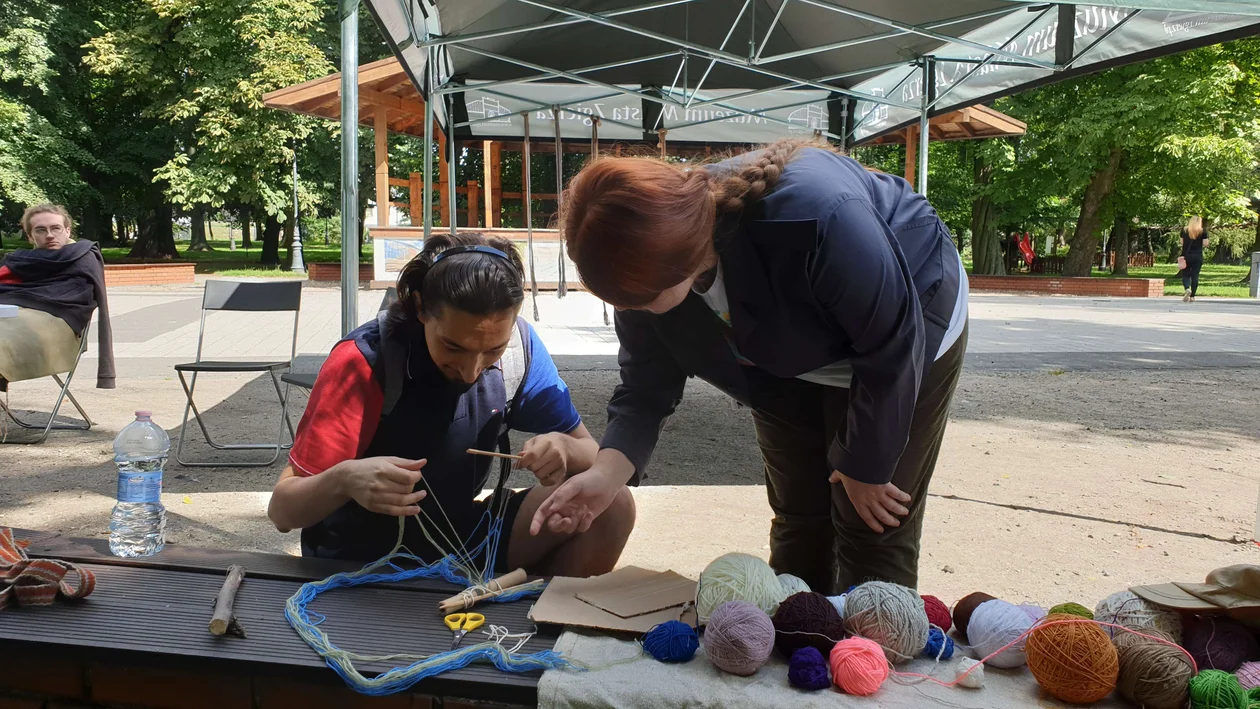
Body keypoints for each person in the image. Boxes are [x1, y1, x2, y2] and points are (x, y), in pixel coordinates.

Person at [541, 139, 969, 594]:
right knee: (801, 513)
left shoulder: (818, 216)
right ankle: (798, 639)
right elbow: (645, 388)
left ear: (680, 260)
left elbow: (892, 341)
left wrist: (866, 464)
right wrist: (605, 477)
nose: (628, 310)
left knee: (871, 520)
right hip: (781, 352)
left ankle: (876, 654)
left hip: (909, 324)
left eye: (636, 301)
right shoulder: (642, 277)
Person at [267, 233, 634, 577]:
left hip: (465, 537)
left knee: (612, 503)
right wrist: (343, 480)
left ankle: (546, 628)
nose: (472, 370)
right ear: (420, 308)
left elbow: (595, 456)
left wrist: (567, 449)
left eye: (493, 349)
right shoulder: (365, 362)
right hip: (359, 559)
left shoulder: (521, 349)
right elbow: (282, 511)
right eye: (454, 347)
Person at [0, 203, 115, 392]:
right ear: (30, 236)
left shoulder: (84, 258)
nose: (50, 235)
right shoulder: (18, 262)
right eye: (40, 230)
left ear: (67, 231)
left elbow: (77, 300)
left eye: (56, 228)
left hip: (57, 321)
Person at [1179, 216, 1209, 303]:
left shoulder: (1184, 230)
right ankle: (1192, 296)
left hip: (1186, 256)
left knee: (1185, 275)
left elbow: (1182, 242)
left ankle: (1187, 288)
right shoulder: (1202, 231)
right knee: (1195, 275)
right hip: (1197, 256)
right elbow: (1205, 243)